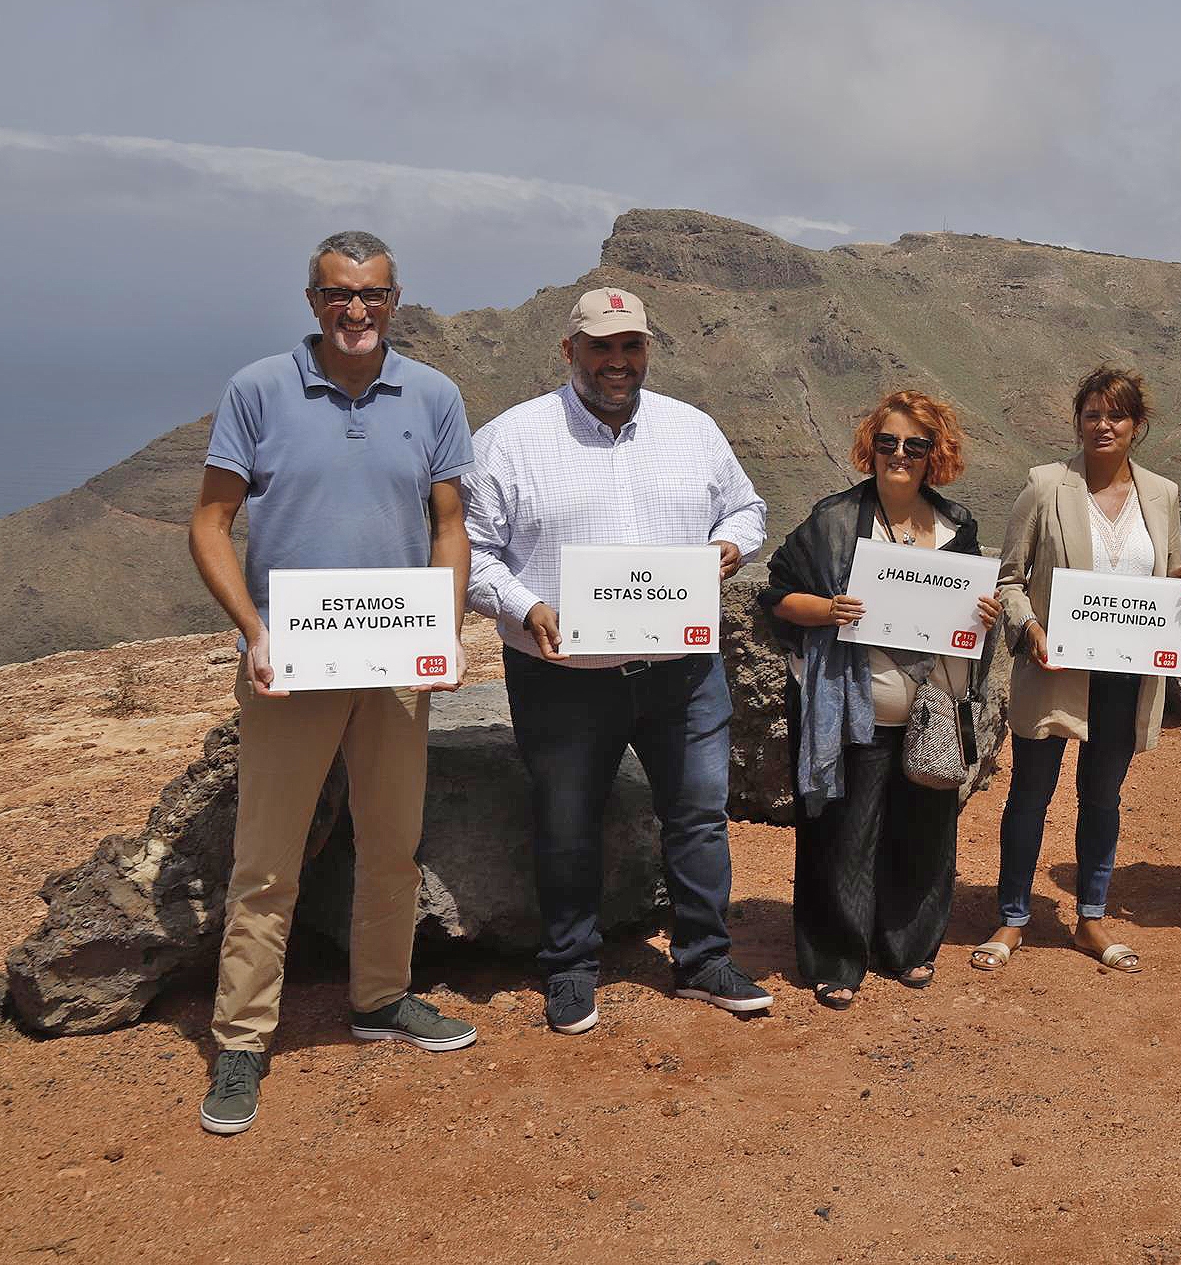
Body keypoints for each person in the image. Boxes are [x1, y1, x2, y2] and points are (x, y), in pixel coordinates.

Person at [186, 230, 475, 1136]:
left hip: (394, 663)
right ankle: (240, 1041)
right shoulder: (260, 389)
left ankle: (381, 1000)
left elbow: (450, 524)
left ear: (397, 301)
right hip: (290, 665)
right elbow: (209, 522)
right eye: (339, 294)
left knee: (393, 844)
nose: (357, 310)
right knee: (267, 862)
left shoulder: (432, 395)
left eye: (375, 295)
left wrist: (448, 627)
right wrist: (254, 631)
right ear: (312, 300)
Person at [462, 286, 771, 1034]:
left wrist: (729, 546)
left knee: (697, 815)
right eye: (600, 347)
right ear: (569, 351)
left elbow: (747, 509)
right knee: (567, 820)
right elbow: (470, 552)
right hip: (564, 677)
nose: (616, 362)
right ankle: (570, 967)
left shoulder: (691, 430)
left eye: (630, 346)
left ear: (646, 351)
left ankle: (702, 959)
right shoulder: (510, 440)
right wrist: (524, 606)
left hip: (682, 671)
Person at [761, 390, 1000, 1008]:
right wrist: (827, 609)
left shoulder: (958, 527)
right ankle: (837, 960)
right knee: (843, 835)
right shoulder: (834, 521)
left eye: (914, 445)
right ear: (872, 446)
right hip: (851, 711)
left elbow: (967, 616)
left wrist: (984, 611)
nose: (900, 454)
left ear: (934, 455)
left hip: (930, 712)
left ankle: (909, 949)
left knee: (924, 833)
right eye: (889, 442)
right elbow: (778, 593)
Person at [972, 368, 1181, 976]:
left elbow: (1170, 574)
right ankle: (1013, 918)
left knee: (1102, 798)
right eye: (1092, 414)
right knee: (1030, 796)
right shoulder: (1045, 487)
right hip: (1054, 668)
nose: (1103, 425)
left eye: (1116, 416)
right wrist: (1032, 630)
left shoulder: (1164, 494)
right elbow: (1010, 578)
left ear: (1136, 426)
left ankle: (1091, 918)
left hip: (1126, 675)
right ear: (1078, 421)